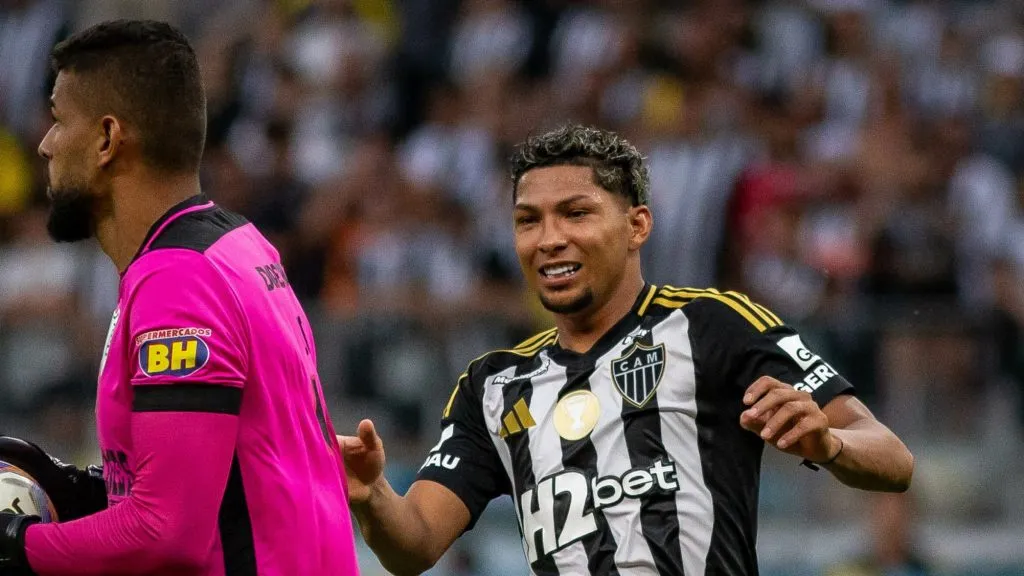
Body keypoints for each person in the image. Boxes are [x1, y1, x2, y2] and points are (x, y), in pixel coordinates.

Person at [339, 124, 914, 576]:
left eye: (576, 213)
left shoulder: (714, 324)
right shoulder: (493, 386)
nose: (549, 239)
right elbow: (413, 546)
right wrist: (373, 496)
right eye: (527, 221)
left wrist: (830, 442)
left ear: (637, 225)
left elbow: (892, 460)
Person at [0, 19, 360, 575]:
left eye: (56, 119)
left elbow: (168, 533)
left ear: (106, 139)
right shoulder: (237, 246)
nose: (44, 145)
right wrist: (71, 491)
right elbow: (219, 491)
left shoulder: (177, 283)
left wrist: (20, 546)